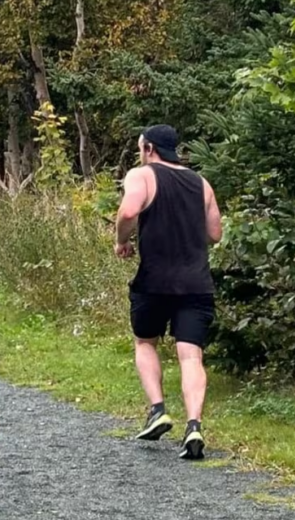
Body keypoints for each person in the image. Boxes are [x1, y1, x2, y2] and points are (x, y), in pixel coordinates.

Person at [114, 124, 223, 460]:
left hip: (154, 281)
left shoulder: (142, 175)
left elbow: (129, 211)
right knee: (191, 355)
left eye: (140, 147)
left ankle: (158, 409)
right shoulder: (201, 183)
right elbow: (215, 233)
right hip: (196, 284)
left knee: (145, 341)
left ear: (148, 148)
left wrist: (122, 240)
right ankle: (194, 426)